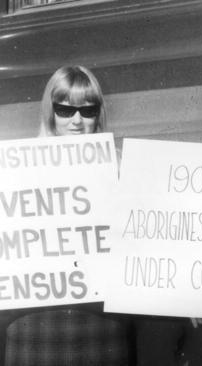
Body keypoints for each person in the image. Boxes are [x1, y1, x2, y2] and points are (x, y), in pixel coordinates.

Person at [0, 65, 136, 365]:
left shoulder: (119, 166)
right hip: (33, 323)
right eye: (65, 110)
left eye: (87, 111)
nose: (76, 121)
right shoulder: (14, 169)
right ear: (51, 111)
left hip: (101, 322)